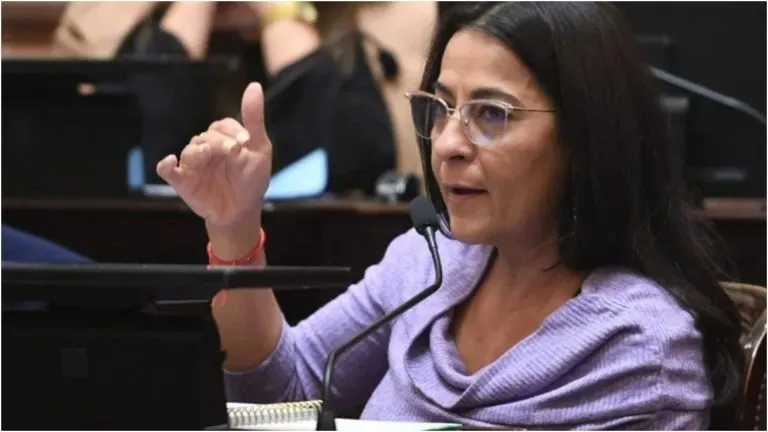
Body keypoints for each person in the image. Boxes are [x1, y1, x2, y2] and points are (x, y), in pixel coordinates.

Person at [157, 2, 744, 429]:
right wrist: (234, 226)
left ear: (585, 137)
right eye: (441, 108)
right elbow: (278, 396)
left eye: (491, 114)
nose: (446, 144)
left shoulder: (638, 352)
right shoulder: (430, 260)